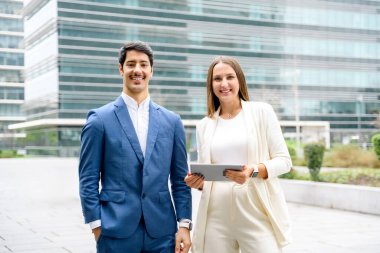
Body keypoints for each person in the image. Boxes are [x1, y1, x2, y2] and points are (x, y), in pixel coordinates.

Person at [79, 41, 192, 253]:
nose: (137, 70)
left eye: (143, 64)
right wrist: (96, 226)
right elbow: (88, 179)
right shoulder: (99, 121)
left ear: (151, 70)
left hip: (162, 233)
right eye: (131, 64)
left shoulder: (172, 121)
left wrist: (184, 224)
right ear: (121, 69)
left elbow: (180, 179)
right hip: (114, 231)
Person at [185, 56, 292, 253]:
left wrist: (253, 171)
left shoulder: (262, 112)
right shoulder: (204, 125)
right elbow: (206, 175)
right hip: (216, 215)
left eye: (229, 77)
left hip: (255, 211)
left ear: (239, 80)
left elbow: (284, 161)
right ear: (211, 85)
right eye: (217, 79)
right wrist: (198, 183)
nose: (224, 84)